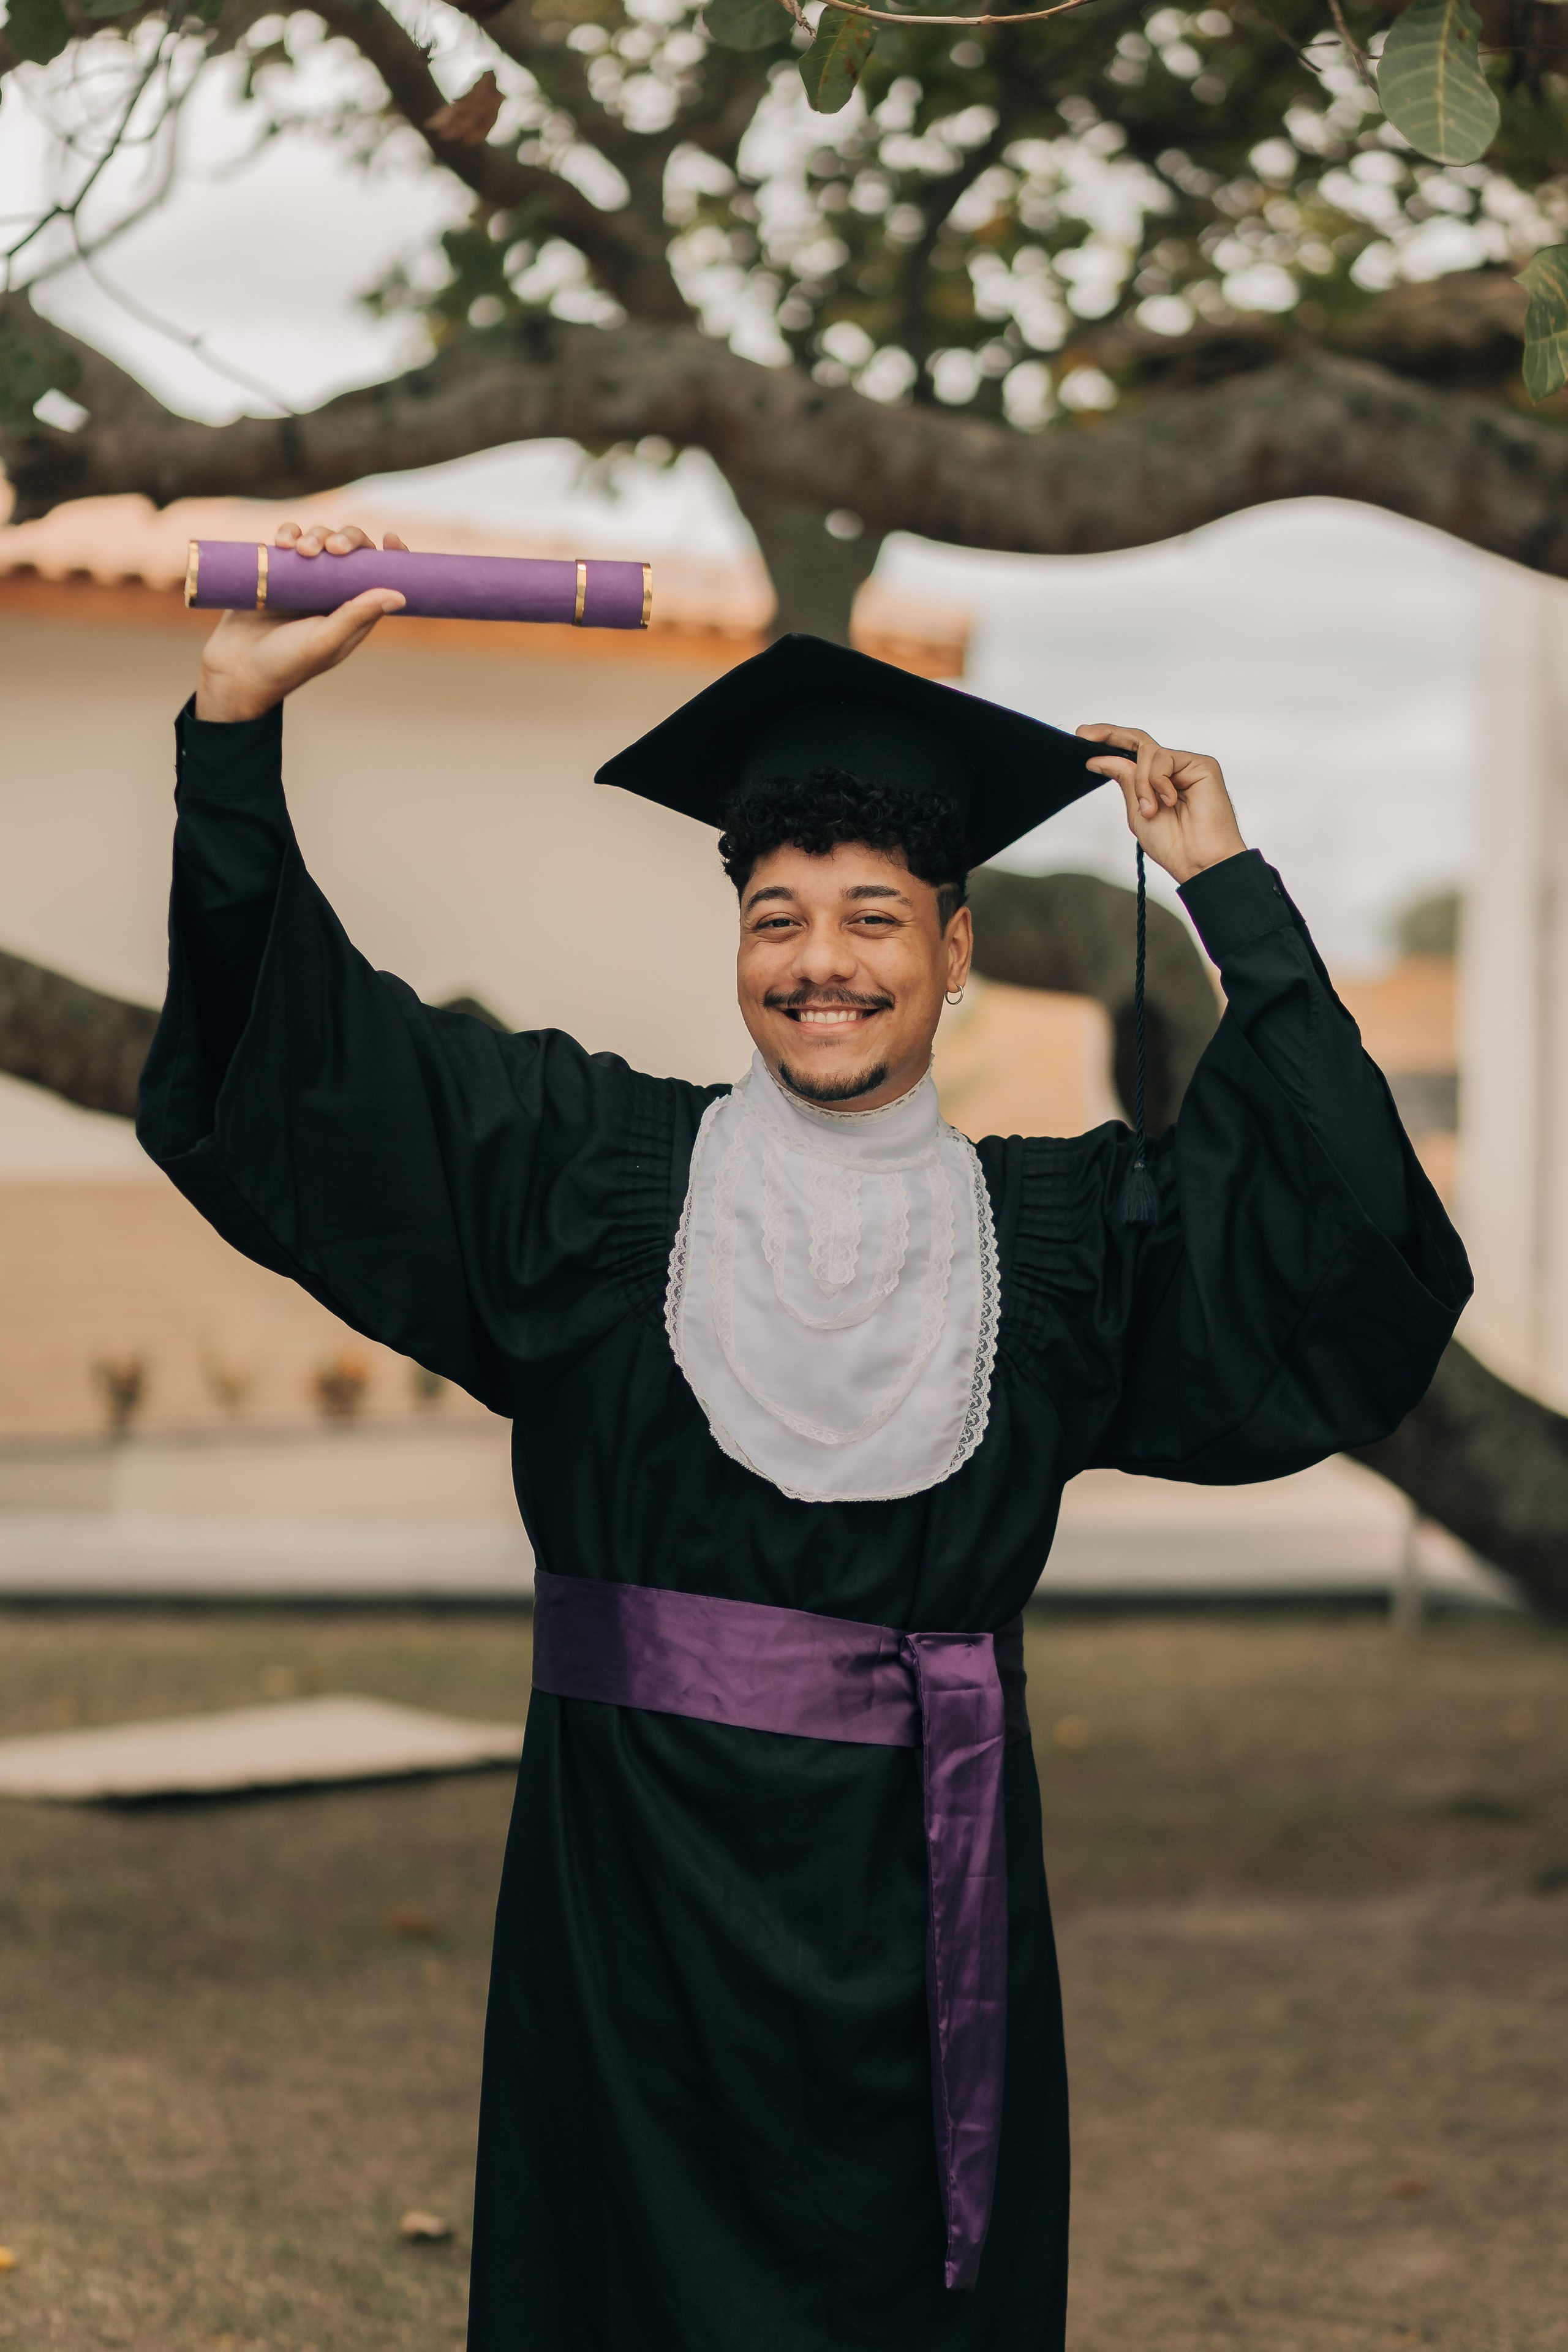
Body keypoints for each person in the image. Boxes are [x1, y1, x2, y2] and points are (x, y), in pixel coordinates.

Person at [138, 519, 1471, 2352]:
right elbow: (313, 1070)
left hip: (932, 1902)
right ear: (738, 945)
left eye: (872, 919)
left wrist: (1228, 887)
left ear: (956, 948)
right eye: (778, 917)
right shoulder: (585, 1185)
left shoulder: (1066, 1246)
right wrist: (229, 741)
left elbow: (1338, 1240)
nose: (820, 962)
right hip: (634, 1907)